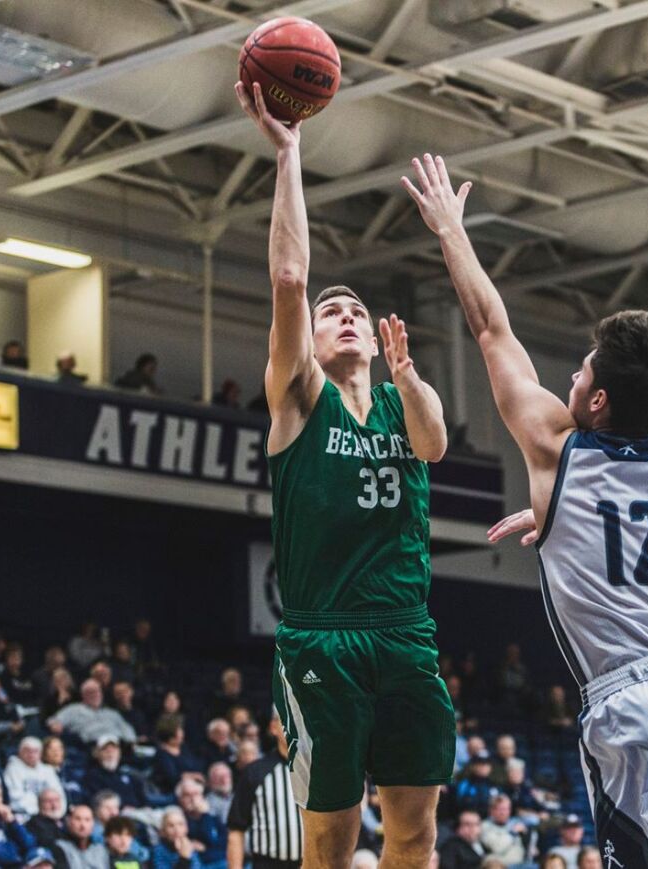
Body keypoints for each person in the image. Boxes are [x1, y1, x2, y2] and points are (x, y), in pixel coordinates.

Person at [404, 153, 648, 869]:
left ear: (596, 402)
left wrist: (451, 230)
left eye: (582, 369)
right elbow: (635, 520)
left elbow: (493, 330)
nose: (573, 374)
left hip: (633, 698)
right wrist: (554, 521)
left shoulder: (556, 449)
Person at [235, 80, 453, 869]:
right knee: (331, 838)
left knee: (417, 833)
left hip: (405, 631)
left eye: (355, 307)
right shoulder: (298, 397)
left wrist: (410, 376)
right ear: (314, 340)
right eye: (335, 313)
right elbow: (291, 280)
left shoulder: (403, 400)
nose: (346, 314)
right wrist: (290, 152)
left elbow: (432, 447)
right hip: (323, 635)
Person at [227, 711, 302, 869]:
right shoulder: (255, 772)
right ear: (273, 727)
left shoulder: (319, 772)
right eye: (288, 722)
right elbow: (236, 830)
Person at [48, 680, 136, 746]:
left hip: (118, 745)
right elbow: (53, 721)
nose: (95, 695)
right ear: (83, 695)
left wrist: (132, 741)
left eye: (98, 691)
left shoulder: (111, 713)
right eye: (91, 692)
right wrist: (55, 725)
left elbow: (126, 729)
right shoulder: (73, 709)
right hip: (91, 745)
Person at [5, 737, 67, 818]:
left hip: (51, 816)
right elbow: (15, 800)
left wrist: (55, 813)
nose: (31, 754)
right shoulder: (12, 769)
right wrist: (42, 810)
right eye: (27, 750)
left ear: (40, 754)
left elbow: (60, 797)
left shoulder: (48, 770)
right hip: (23, 816)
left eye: (35, 751)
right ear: (19, 752)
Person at [82, 737, 145, 809]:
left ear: (119, 753)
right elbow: (98, 802)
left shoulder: (129, 776)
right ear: (97, 753)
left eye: (114, 749)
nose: (110, 753)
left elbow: (142, 798)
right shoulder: (92, 777)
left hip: (138, 812)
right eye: (105, 750)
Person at [176, 779, 226, 869]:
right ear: (180, 799)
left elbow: (221, 845)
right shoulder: (179, 821)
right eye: (187, 795)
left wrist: (205, 815)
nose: (193, 799)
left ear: (202, 797)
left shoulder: (213, 818)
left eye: (196, 794)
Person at [152, 715, 203, 795]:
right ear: (170, 737)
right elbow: (171, 777)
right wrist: (190, 776)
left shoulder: (184, 748)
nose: (182, 734)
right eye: (179, 734)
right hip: (173, 791)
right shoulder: (162, 754)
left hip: (195, 786)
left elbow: (196, 765)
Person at [51, 805, 107, 869]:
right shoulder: (60, 847)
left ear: (93, 824)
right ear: (69, 822)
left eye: (87, 820)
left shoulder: (101, 850)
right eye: (78, 819)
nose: (82, 825)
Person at [479, 795, 525, 865]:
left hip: (520, 864)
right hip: (499, 865)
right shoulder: (484, 826)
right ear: (492, 811)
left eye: (506, 809)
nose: (503, 813)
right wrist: (513, 833)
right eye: (500, 809)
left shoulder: (513, 823)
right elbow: (497, 848)